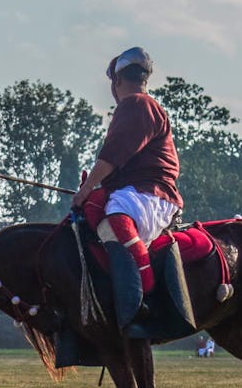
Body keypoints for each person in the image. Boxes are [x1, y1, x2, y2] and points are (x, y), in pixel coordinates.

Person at [71, 46, 182, 322]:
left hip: (150, 193)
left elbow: (110, 158)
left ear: (117, 81)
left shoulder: (135, 104)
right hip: (136, 191)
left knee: (114, 221)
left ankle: (141, 296)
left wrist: (85, 190)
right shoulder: (139, 105)